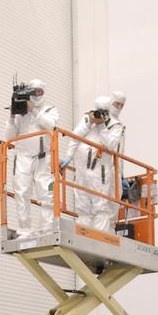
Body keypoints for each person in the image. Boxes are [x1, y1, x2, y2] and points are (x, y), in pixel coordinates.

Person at [3, 79, 60, 233]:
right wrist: (12, 116)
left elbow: (51, 125)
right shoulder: (20, 113)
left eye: (39, 91)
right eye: (33, 91)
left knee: (46, 194)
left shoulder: (49, 110)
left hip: (44, 158)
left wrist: (34, 109)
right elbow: (9, 137)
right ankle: (24, 229)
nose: (36, 94)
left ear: (43, 92)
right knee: (21, 193)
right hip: (23, 157)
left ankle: (47, 229)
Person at [62, 96, 124, 234]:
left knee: (100, 206)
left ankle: (99, 238)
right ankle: (83, 236)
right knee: (82, 206)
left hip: (99, 171)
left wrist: (102, 125)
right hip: (81, 170)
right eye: (98, 111)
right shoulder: (87, 119)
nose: (99, 114)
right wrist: (68, 157)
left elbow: (111, 145)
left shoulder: (114, 125)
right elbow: (75, 137)